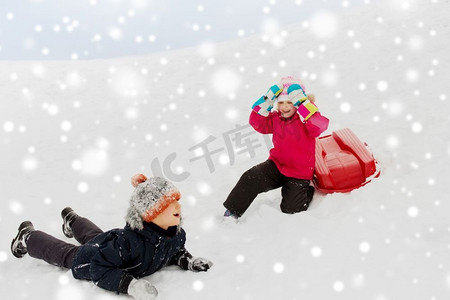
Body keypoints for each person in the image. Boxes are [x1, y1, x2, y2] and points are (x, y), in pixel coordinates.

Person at [11, 174, 212, 299]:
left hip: (109, 245)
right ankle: (29, 236)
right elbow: (99, 268)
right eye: (169, 205)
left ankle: (72, 219)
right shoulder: (129, 243)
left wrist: (187, 260)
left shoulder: (175, 235)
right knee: (69, 254)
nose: (178, 206)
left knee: (97, 237)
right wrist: (129, 284)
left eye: (177, 201)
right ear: (151, 215)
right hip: (94, 259)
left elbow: (173, 251)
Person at [223, 76, 329, 219]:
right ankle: (233, 211)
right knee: (251, 177)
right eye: (281, 103)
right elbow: (257, 122)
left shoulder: (306, 120)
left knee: (290, 209)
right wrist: (267, 99)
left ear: (298, 103)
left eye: (289, 103)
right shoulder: (276, 118)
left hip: (299, 173)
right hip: (277, 166)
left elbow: (320, 126)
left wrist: (304, 104)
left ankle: (306, 191)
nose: (284, 107)